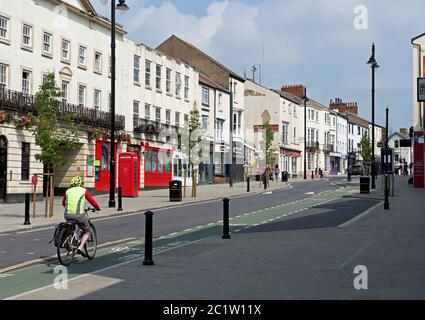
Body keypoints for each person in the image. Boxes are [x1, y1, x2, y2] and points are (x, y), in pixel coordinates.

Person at [62, 176, 100, 257]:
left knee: (73, 226)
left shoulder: (68, 191)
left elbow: (63, 203)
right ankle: (81, 246)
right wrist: (97, 208)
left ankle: (71, 240)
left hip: (67, 215)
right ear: (80, 183)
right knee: (87, 231)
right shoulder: (83, 191)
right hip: (79, 215)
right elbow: (92, 201)